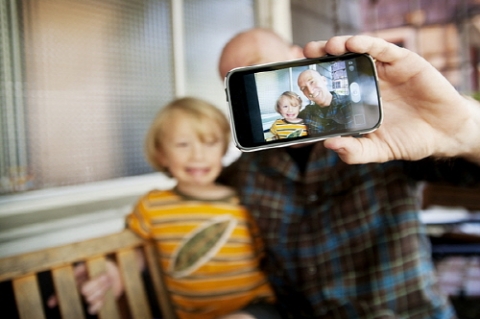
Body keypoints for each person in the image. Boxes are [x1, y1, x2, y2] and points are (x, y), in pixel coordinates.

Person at [218, 28, 480, 318]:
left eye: (255, 67)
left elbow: (471, 174)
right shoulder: (244, 174)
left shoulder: (380, 130)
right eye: (232, 82)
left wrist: (464, 129)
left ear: (296, 57)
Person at [50, 97, 278, 319]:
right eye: (182, 144)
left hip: (256, 308)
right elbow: (136, 252)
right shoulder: (153, 206)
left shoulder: (244, 203)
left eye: (210, 143)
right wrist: (113, 272)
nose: (198, 155)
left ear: (223, 150)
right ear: (162, 154)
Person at [297, 69, 352, 134]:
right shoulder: (306, 113)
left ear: (324, 80)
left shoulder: (351, 104)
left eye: (312, 82)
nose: (310, 91)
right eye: (303, 88)